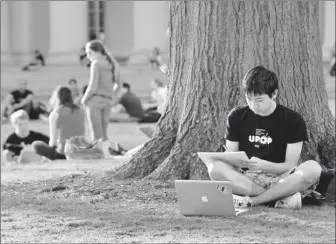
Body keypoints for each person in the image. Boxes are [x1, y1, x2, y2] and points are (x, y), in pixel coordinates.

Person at [198, 66, 322, 210]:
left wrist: (262, 165)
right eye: (248, 99)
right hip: (246, 178)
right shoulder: (236, 116)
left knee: (313, 168)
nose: (253, 105)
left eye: (259, 100)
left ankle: (254, 201)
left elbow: (289, 165)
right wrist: (235, 161)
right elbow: (231, 156)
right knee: (214, 168)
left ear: (274, 94)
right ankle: (279, 199)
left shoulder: (293, 120)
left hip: (282, 178)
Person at [81, 39, 121, 156]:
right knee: (104, 133)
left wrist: (84, 99)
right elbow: (118, 85)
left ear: (97, 52)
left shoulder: (96, 64)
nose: (88, 57)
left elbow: (93, 85)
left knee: (96, 133)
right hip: (107, 100)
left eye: (89, 53)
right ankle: (106, 155)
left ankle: (99, 156)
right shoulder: (113, 63)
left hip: (95, 100)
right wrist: (112, 97)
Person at [32, 86, 86, 160]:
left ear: (57, 97)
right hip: (81, 150)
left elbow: (53, 142)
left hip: (63, 153)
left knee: (36, 145)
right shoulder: (80, 111)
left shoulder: (55, 114)